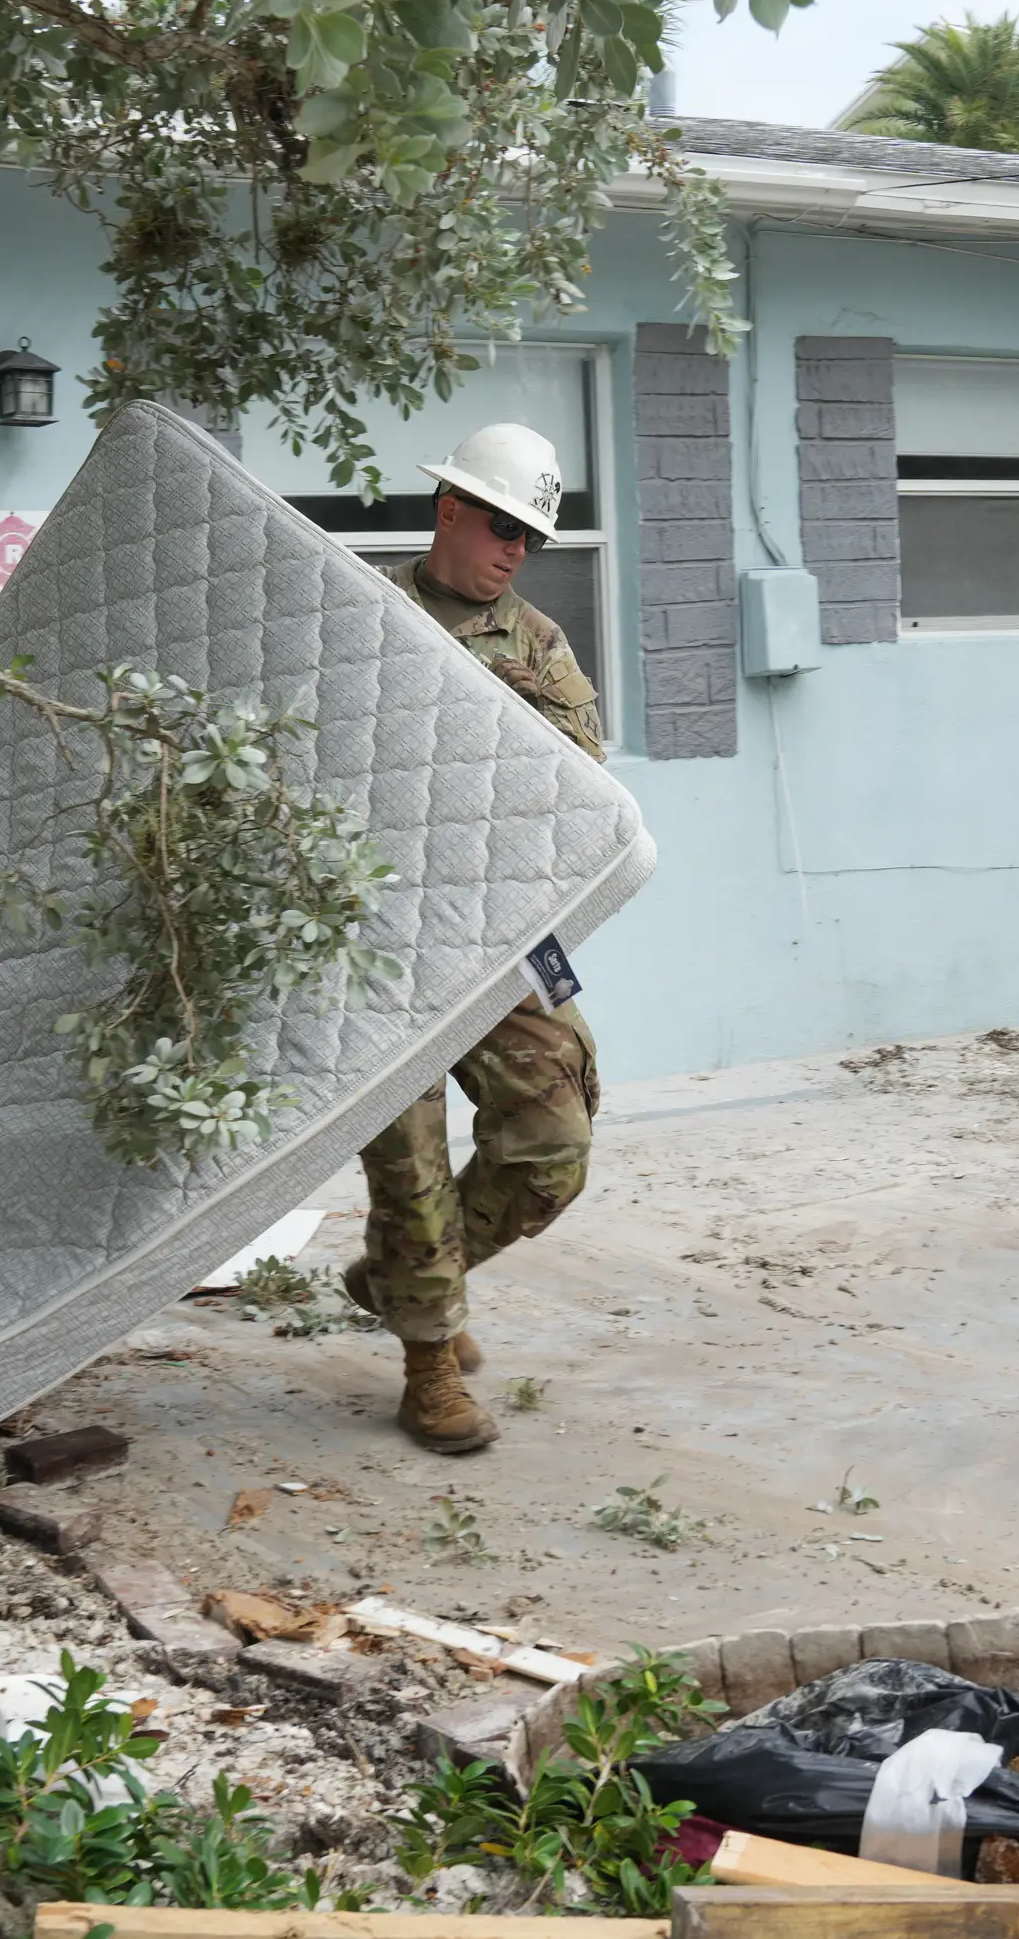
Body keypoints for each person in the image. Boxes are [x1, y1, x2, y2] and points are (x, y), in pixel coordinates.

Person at [350, 420, 604, 1454]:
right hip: (368, 940)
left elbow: (583, 775)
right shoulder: (365, 611)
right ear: (450, 508)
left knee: (555, 1138)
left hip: (490, 931)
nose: (515, 550)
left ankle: (403, 1281)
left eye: (532, 537)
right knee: (407, 1161)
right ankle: (426, 1364)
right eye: (502, 524)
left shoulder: (535, 642)